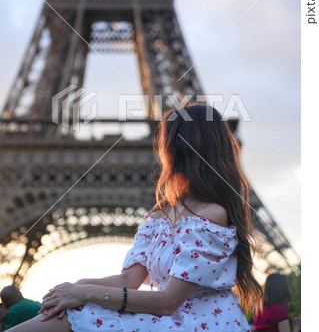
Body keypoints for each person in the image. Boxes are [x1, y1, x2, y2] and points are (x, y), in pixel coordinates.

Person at [9, 104, 263, 331]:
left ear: (176, 147)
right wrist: (76, 286)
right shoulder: (160, 215)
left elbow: (167, 301)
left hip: (201, 323)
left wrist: (85, 293)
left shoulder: (211, 215)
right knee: (74, 307)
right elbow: (129, 281)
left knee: (81, 310)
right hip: (168, 316)